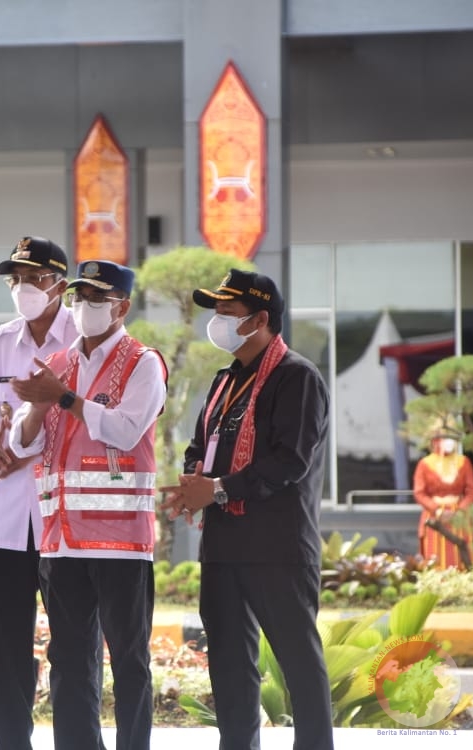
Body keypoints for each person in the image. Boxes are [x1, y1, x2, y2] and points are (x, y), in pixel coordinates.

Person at [160, 269, 334, 750]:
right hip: (223, 546)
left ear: (260, 319)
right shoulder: (224, 380)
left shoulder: (296, 376)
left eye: (227, 313)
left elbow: (289, 461)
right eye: (215, 311)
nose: (216, 321)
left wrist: (215, 489)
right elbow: (201, 446)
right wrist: (193, 481)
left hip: (277, 547)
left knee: (298, 664)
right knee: (230, 667)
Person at [8, 260, 167, 750]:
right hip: (62, 543)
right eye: (79, 298)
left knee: (129, 661)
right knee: (71, 662)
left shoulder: (143, 362)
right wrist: (38, 405)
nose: (83, 308)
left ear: (121, 306)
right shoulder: (57, 365)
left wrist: (66, 399)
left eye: (96, 299)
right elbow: (20, 444)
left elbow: (124, 428)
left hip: (122, 543)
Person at [0, 236, 76, 750]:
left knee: (72, 645)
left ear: (60, 286)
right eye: (16, 279)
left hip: (67, 519)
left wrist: (32, 450)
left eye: (34, 278)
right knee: (8, 645)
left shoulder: (82, 346)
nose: (23, 288)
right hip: (6, 518)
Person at [413, 430, 473, 570]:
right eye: (445, 438)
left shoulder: (464, 462)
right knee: (435, 553)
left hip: (459, 515)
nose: (449, 442)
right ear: (435, 441)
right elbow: (419, 493)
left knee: (461, 550)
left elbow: (471, 490)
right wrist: (437, 510)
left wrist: (460, 510)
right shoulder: (425, 464)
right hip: (434, 515)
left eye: (451, 438)